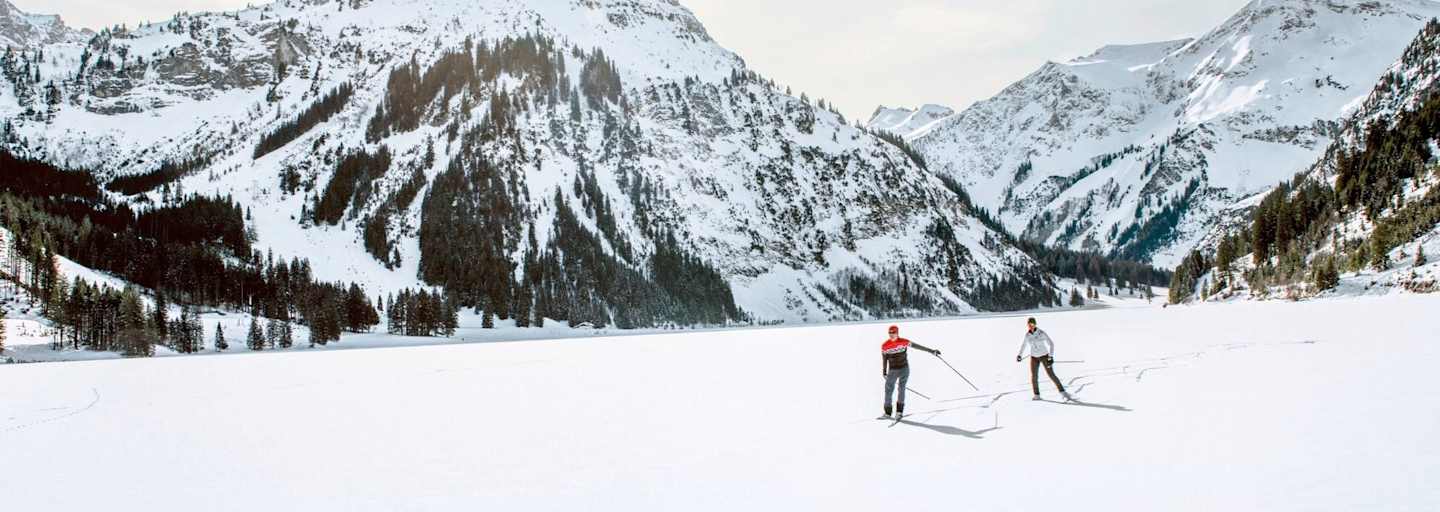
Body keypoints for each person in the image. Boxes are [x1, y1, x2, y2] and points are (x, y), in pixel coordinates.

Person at [882, 324, 940, 418]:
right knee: (888, 390)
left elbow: (918, 346)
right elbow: (884, 359)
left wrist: (931, 351)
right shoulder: (885, 345)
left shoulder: (904, 342)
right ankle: (887, 412)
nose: (891, 334)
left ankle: (899, 412)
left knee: (901, 389)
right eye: (890, 333)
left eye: (893, 332)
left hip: (904, 369)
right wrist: (884, 372)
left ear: (897, 333)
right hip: (892, 370)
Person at [1016, 317, 1072, 401]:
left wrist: (1050, 356)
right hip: (1034, 357)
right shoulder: (1027, 335)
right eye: (1029, 324)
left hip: (1044, 356)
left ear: (1035, 324)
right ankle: (1036, 395)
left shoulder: (1041, 333)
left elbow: (1051, 344)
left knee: (1051, 375)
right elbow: (1023, 345)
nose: (1030, 326)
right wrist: (1019, 355)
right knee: (1034, 376)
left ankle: (1063, 392)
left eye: (1032, 324)